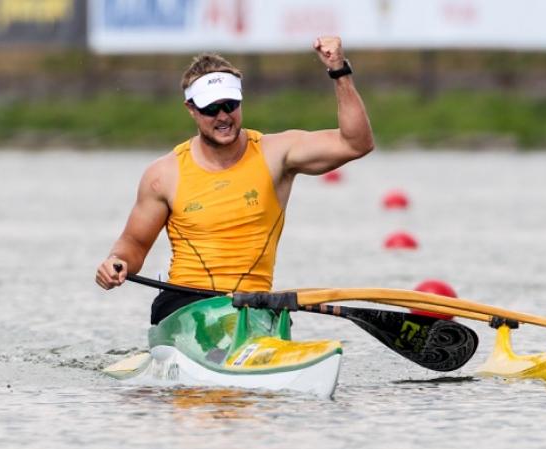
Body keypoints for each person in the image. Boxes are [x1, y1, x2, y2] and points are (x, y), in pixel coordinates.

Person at [95, 36, 374, 325]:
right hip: (184, 306)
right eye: (211, 108)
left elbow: (356, 143)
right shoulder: (164, 174)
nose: (223, 116)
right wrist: (117, 263)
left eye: (230, 104)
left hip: (253, 306)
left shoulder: (276, 154)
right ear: (191, 108)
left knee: (255, 326)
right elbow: (134, 245)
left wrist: (339, 71)